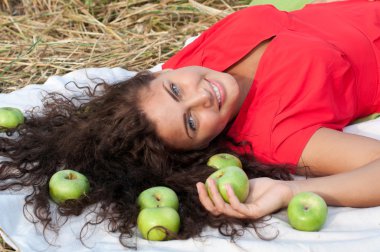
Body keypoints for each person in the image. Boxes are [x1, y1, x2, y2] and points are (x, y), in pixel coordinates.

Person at [0, 0, 379, 248]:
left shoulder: (194, 58)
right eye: (193, 123)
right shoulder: (277, 135)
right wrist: (291, 193)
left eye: (176, 90)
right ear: (202, 147)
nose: (203, 95)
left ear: (163, 74)